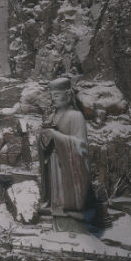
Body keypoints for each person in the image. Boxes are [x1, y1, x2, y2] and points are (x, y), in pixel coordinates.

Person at [37, 78, 91, 226]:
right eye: (51, 96)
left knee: (64, 196)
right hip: (53, 162)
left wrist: (56, 136)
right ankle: (52, 207)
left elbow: (81, 146)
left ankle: (68, 213)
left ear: (68, 94)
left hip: (68, 165)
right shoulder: (51, 116)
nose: (53, 99)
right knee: (54, 194)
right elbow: (45, 142)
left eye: (57, 95)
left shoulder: (76, 116)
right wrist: (43, 138)